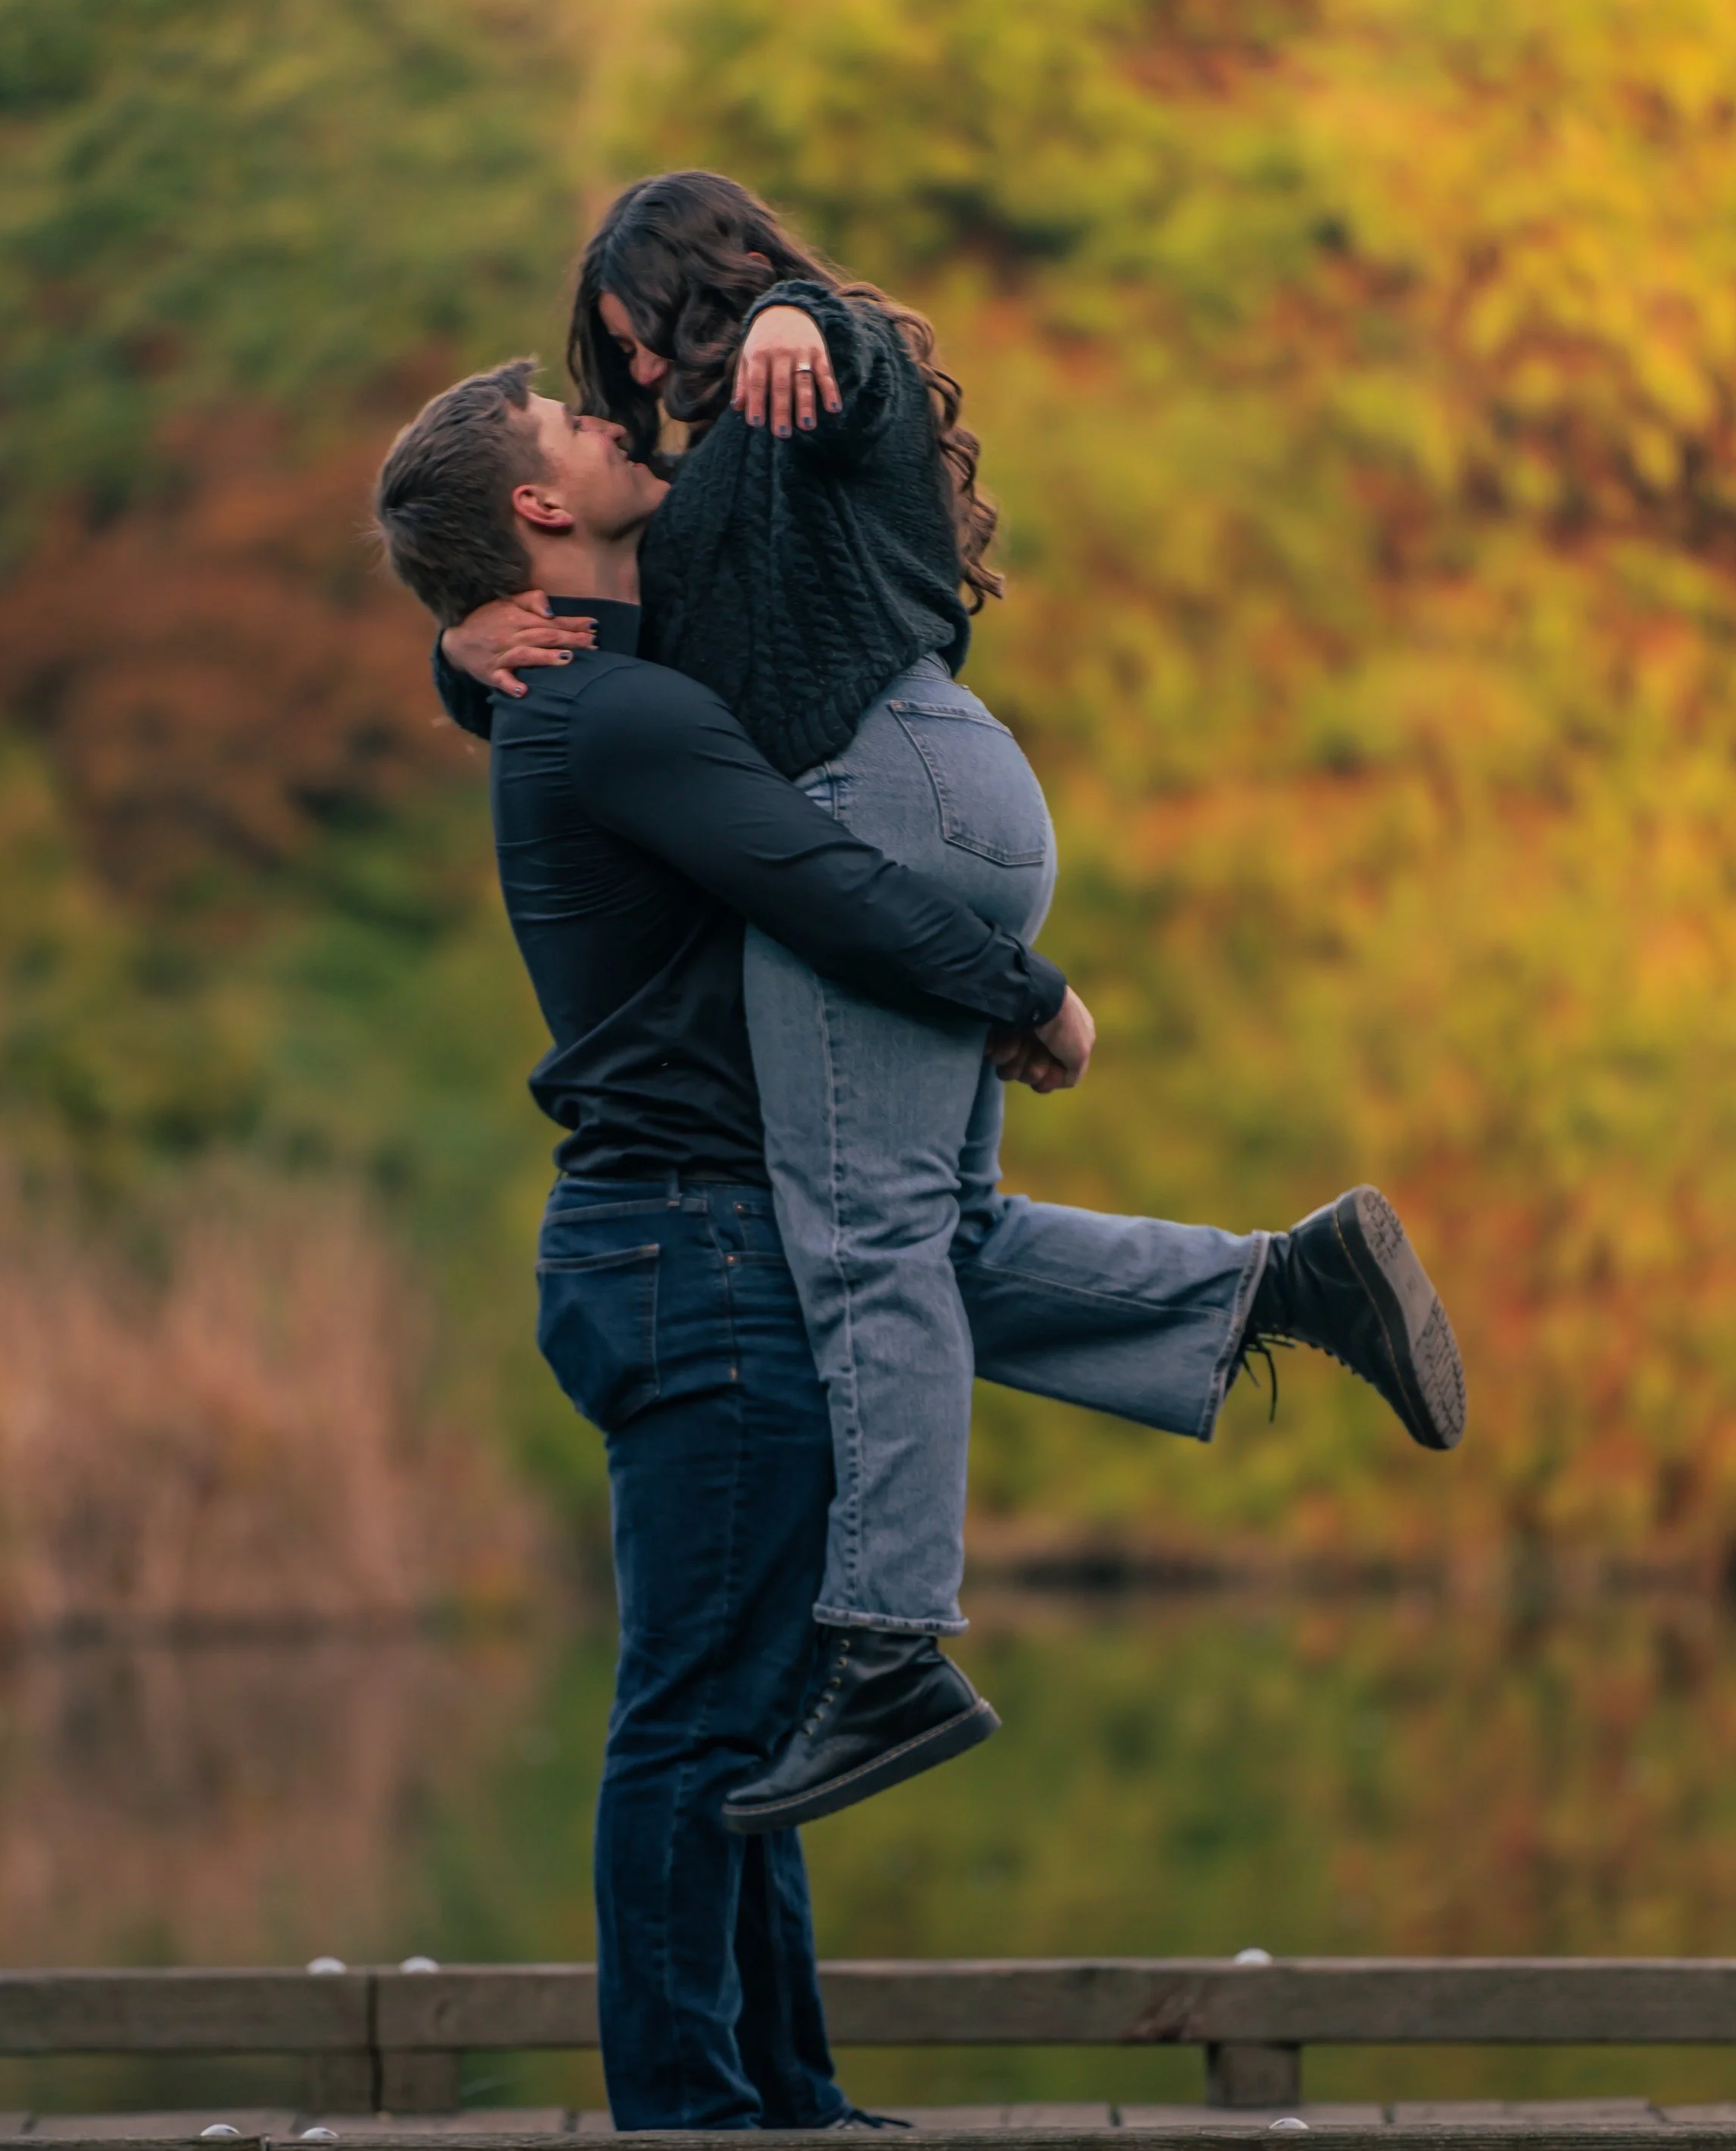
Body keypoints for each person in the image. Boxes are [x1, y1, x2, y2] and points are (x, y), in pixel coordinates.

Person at [434, 173, 1468, 1837]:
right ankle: (1282, 1285)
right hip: (939, 792)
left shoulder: (807, 393)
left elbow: (853, 360)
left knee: (858, 1247)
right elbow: (603, 662)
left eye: (625, 339)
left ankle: (891, 1644)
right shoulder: (711, 502)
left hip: (885, 800)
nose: (618, 375)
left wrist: (795, 315)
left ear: (690, 296)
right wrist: (464, 644)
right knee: (931, 1232)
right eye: (596, 375)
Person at [374, 360, 1089, 2131]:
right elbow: (819, 883)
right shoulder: (615, 720)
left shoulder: (588, 692)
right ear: (537, 510)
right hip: (689, 1250)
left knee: (750, 1711)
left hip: (681, 1246)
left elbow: (761, 534)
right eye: (572, 418)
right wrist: (1028, 997)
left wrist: (457, 645)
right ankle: (692, 2128)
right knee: (702, 1715)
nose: (614, 422)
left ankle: (782, 2105)